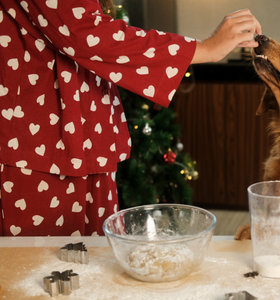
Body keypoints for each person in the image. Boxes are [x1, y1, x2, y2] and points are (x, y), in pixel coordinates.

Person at [0, 0, 261, 236]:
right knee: (41, 270)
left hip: (78, 135)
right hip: (39, 142)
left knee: (89, 264)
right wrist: (203, 49)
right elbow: (83, 32)